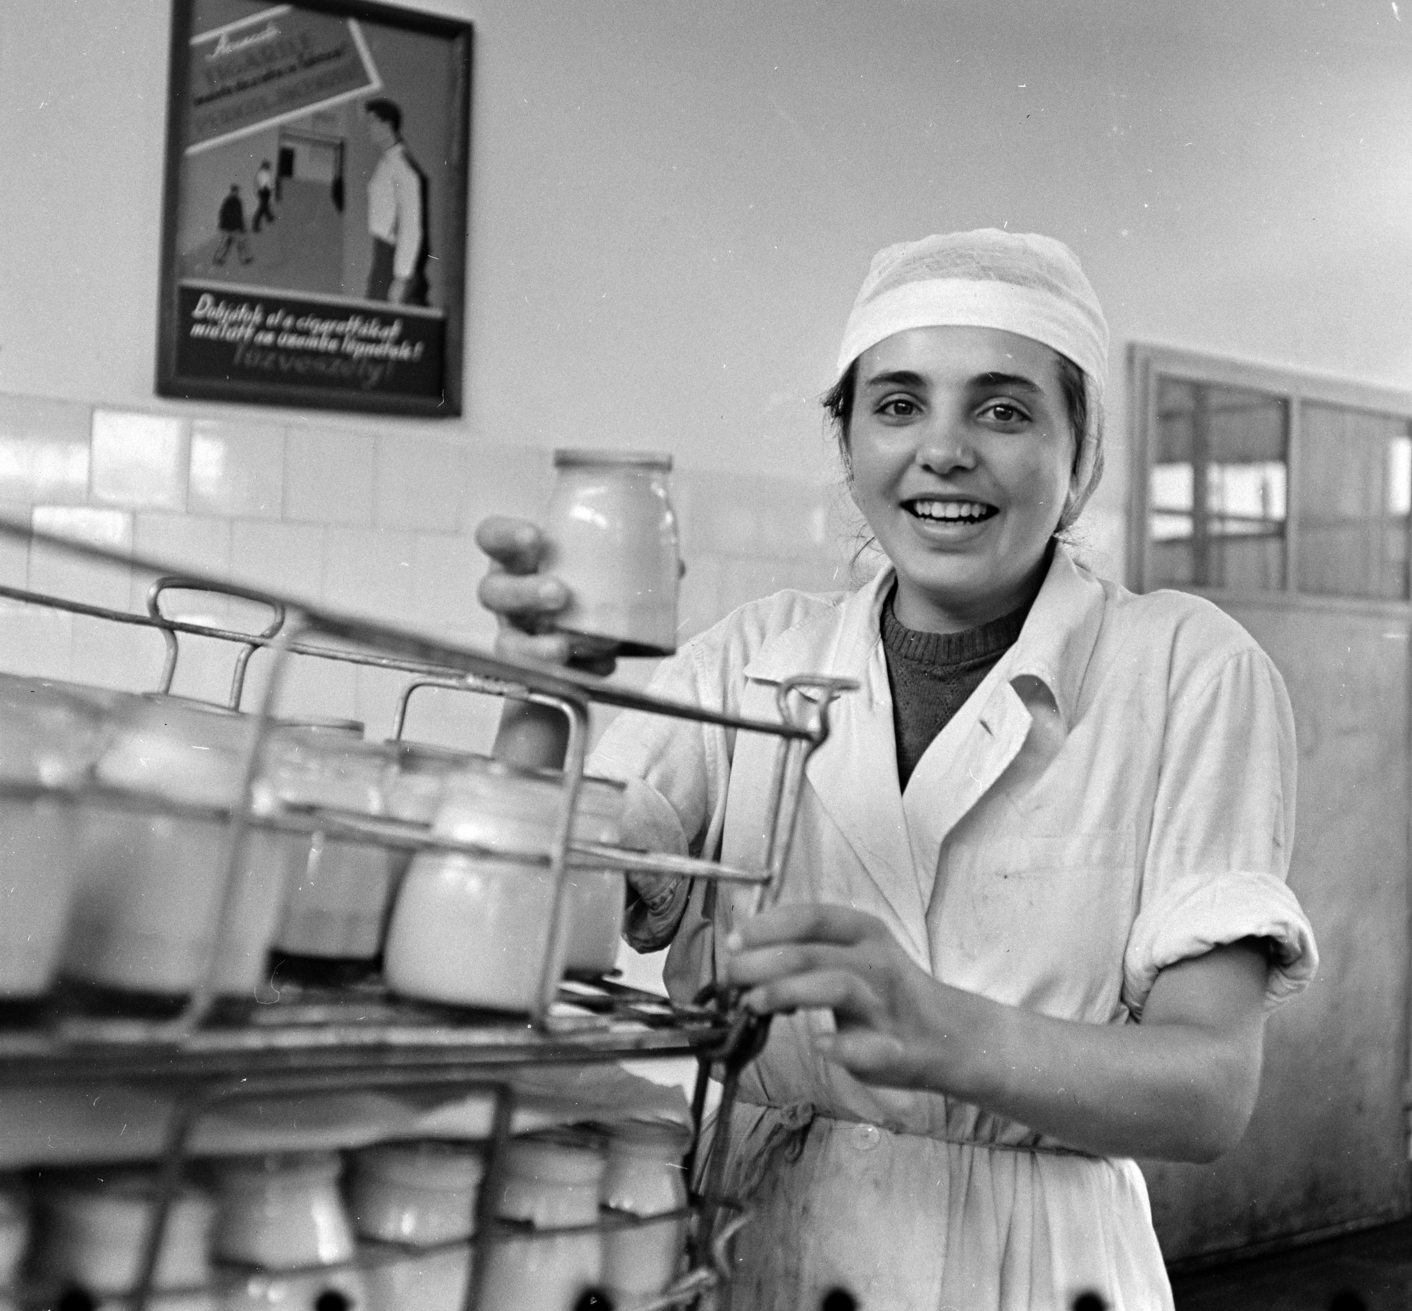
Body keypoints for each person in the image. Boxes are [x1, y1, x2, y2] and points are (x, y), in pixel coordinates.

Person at [476, 229, 1319, 1310]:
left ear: (1082, 455)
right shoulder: (755, 658)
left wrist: (942, 1029)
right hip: (756, 1237)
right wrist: (548, 702)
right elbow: (539, 909)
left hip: (1036, 1266)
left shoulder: (1185, 669)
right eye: (898, 403)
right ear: (850, 441)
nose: (944, 450)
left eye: (1004, 409)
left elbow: (1207, 1091)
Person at [362, 98, 430, 305]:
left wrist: (401, 277)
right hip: (381, 254)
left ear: (387, 125)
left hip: (392, 260)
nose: (368, 128)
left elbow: (411, 226)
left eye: (372, 122)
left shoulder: (403, 168)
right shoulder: (387, 162)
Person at [212, 184, 251, 266]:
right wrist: (223, 225)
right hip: (229, 227)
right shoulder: (229, 201)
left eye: (236, 191)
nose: (236, 192)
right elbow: (223, 214)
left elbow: (239, 216)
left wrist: (241, 227)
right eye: (235, 191)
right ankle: (218, 259)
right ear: (232, 191)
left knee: (238, 243)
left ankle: (244, 259)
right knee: (227, 244)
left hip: (235, 227)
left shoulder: (236, 202)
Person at [252, 159, 276, 232]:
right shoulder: (262, 173)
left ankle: (269, 217)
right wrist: (268, 188)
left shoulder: (266, 172)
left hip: (266, 191)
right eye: (268, 165)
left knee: (265, 205)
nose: (269, 166)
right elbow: (263, 183)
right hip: (264, 191)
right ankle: (255, 225)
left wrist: (271, 188)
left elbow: (268, 182)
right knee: (262, 207)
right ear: (265, 166)